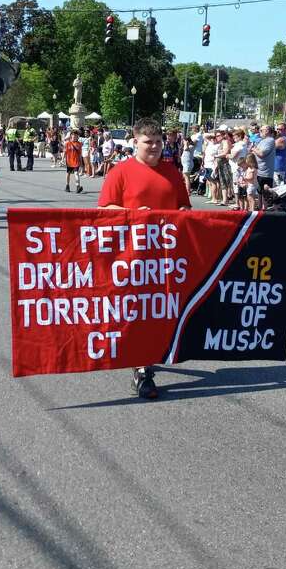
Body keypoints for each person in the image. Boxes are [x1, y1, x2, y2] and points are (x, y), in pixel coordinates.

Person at [97, 118, 190, 400]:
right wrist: (135, 215)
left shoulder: (172, 171)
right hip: (133, 255)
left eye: (159, 142)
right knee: (138, 308)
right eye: (148, 142)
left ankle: (151, 353)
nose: (154, 147)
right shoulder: (120, 171)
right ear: (135, 142)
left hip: (167, 256)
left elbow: (184, 205)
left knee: (160, 308)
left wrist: (183, 213)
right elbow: (104, 208)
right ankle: (142, 369)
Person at [252, 125, 277, 203]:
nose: (259, 132)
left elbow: (262, 153)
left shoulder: (270, 140)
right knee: (259, 191)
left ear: (267, 131)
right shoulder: (263, 140)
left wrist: (254, 149)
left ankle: (265, 209)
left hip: (265, 171)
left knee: (265, 191)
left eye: (261, 131)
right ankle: (260, 208)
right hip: (259, 169)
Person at [64, 128, 85, 193]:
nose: (75, 137)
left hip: (76, 161)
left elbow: (80, 154)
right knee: (68, 174)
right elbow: (65, 152)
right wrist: (62, 159)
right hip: (69, 161)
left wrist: (81, 163)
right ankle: (67, 185)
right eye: (73, 135)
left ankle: (78, 186)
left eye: (76, 136)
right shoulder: (67, 143)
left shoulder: (79, 144)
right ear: (71, 136)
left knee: (76, 173)